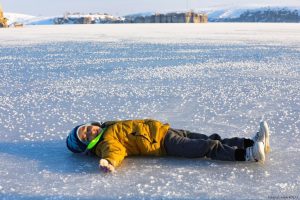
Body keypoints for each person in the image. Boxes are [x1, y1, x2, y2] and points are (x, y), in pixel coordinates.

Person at [66, 119, 270, 173]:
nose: (89, 131)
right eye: (85, 136)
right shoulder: (105, 142)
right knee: (207, 146)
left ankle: (251, 142)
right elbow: (115, 152)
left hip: (165, 130)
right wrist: (109, 162)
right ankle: (248, 155)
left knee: (209, 137)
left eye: (85, 128)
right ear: (87, 144)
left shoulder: (105, 126)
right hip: (162, 143)